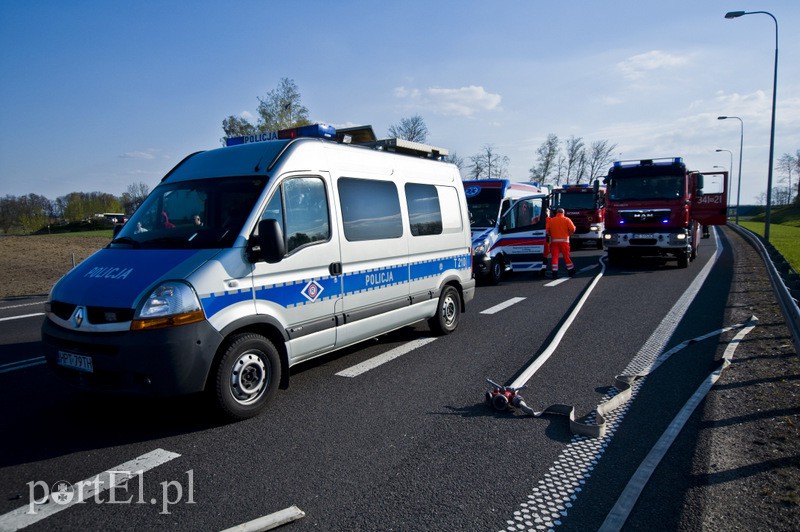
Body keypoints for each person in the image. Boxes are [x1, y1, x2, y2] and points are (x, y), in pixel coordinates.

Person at [546, 207, 576, 278]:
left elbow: (546, 230)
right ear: (563, 213)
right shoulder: (567, 220)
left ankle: (554, 273)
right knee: (566, 257)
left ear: (557, 213)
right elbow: (572, 229)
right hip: (565, 242)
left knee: (555, 257)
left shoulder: (551, 220)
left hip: (554, 242)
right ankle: (571, 271)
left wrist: (550, 234)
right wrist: (569, 233)